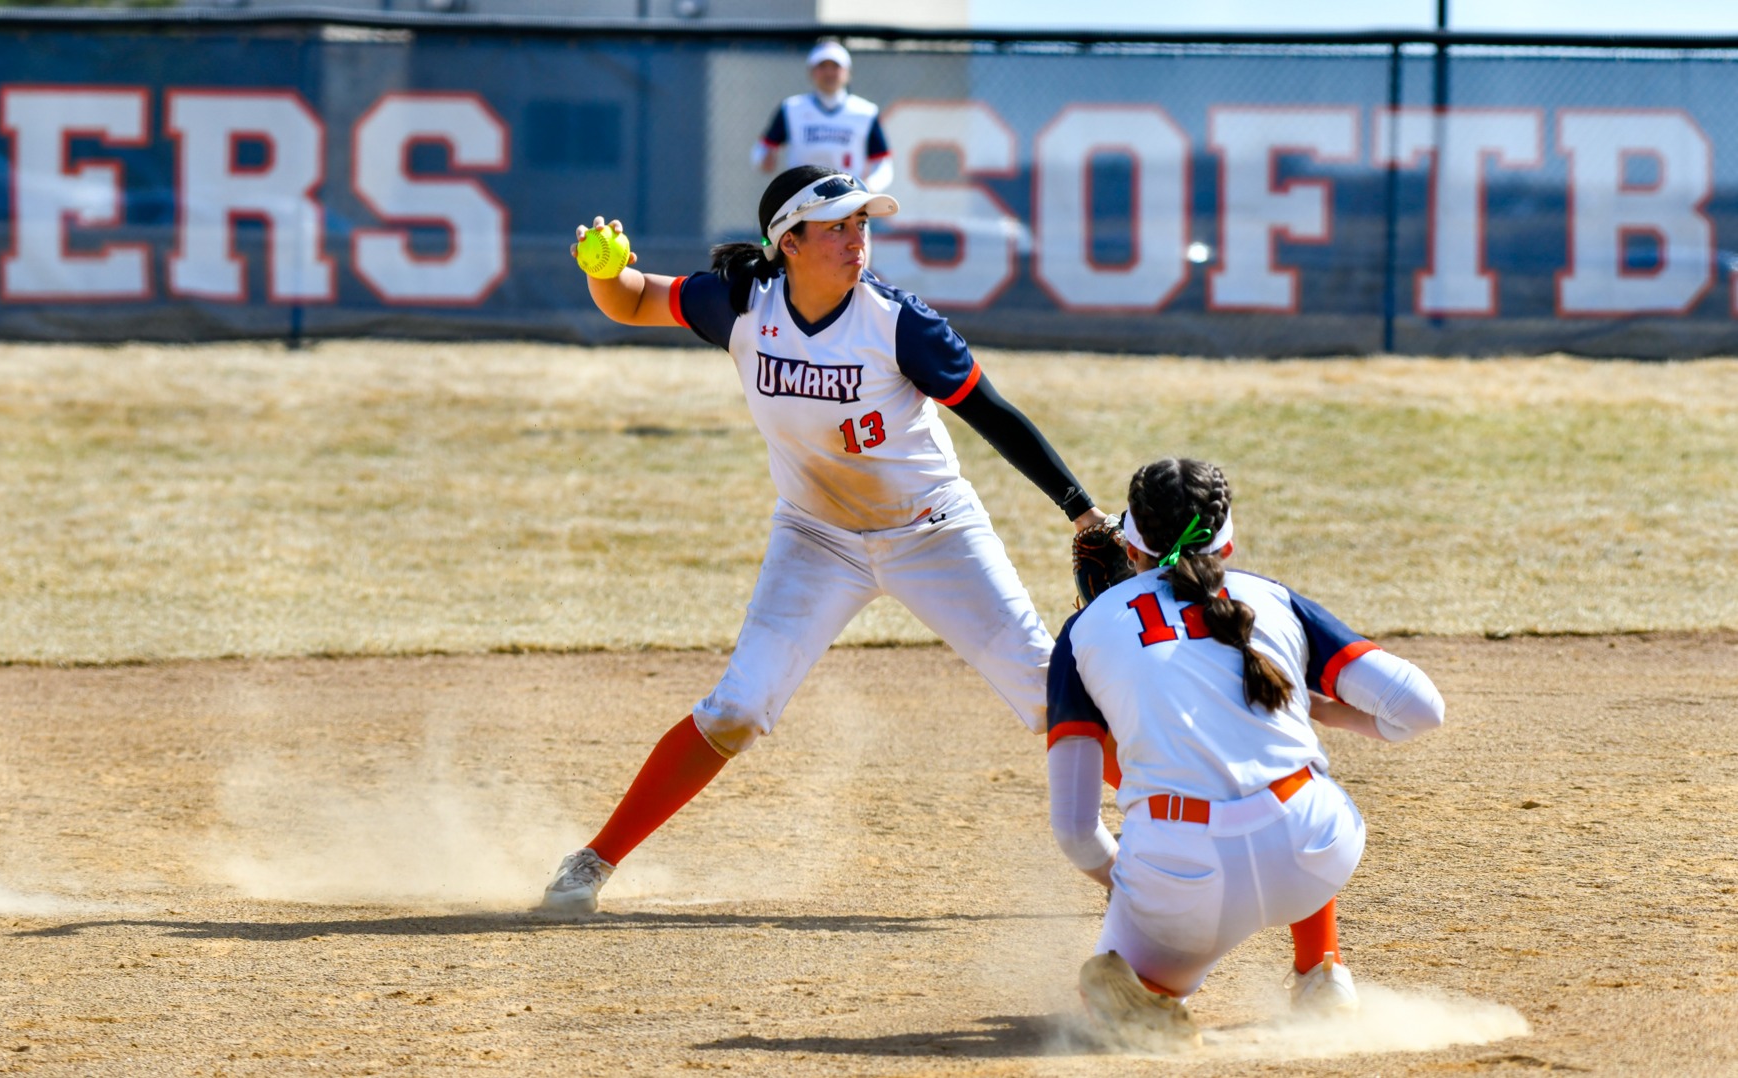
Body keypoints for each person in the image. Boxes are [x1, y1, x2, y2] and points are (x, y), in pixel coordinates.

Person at [541, 164, 1105, 913]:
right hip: (815, 537)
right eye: (837, 226)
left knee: (1046, 689)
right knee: (735, 710)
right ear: (790, 241)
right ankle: (592, 861)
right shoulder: (743, 303)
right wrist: (604, 274)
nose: (856, 240)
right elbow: (635, 300)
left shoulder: (898, 324)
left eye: (862, 224)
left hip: (931, 532)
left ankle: (1154, 854)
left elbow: (992, 413)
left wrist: (1081, 510)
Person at [1045, 458, 1445, 1051]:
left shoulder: (1082, 633)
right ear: (1228, 538)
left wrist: (1126, 886)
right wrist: (1324, 709)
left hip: (1183, 878)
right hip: (1314, 849)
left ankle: (1158, 997)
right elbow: (1420, 710)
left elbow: (1076, 833)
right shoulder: (1273, 599)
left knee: (1115, 984)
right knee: (1279, 758)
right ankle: (1322, 976)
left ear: (1130, 545)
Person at [752, 41, 893, 191]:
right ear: (811, 72)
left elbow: (882, 163)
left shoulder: (866, 112)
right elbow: (762, 150)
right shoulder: (792, 108)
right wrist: (763, 161)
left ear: (848, 73)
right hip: (801, 197)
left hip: (847, 197)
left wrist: (869, 186)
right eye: (822, 66)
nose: (829, 73)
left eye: (835, 66)